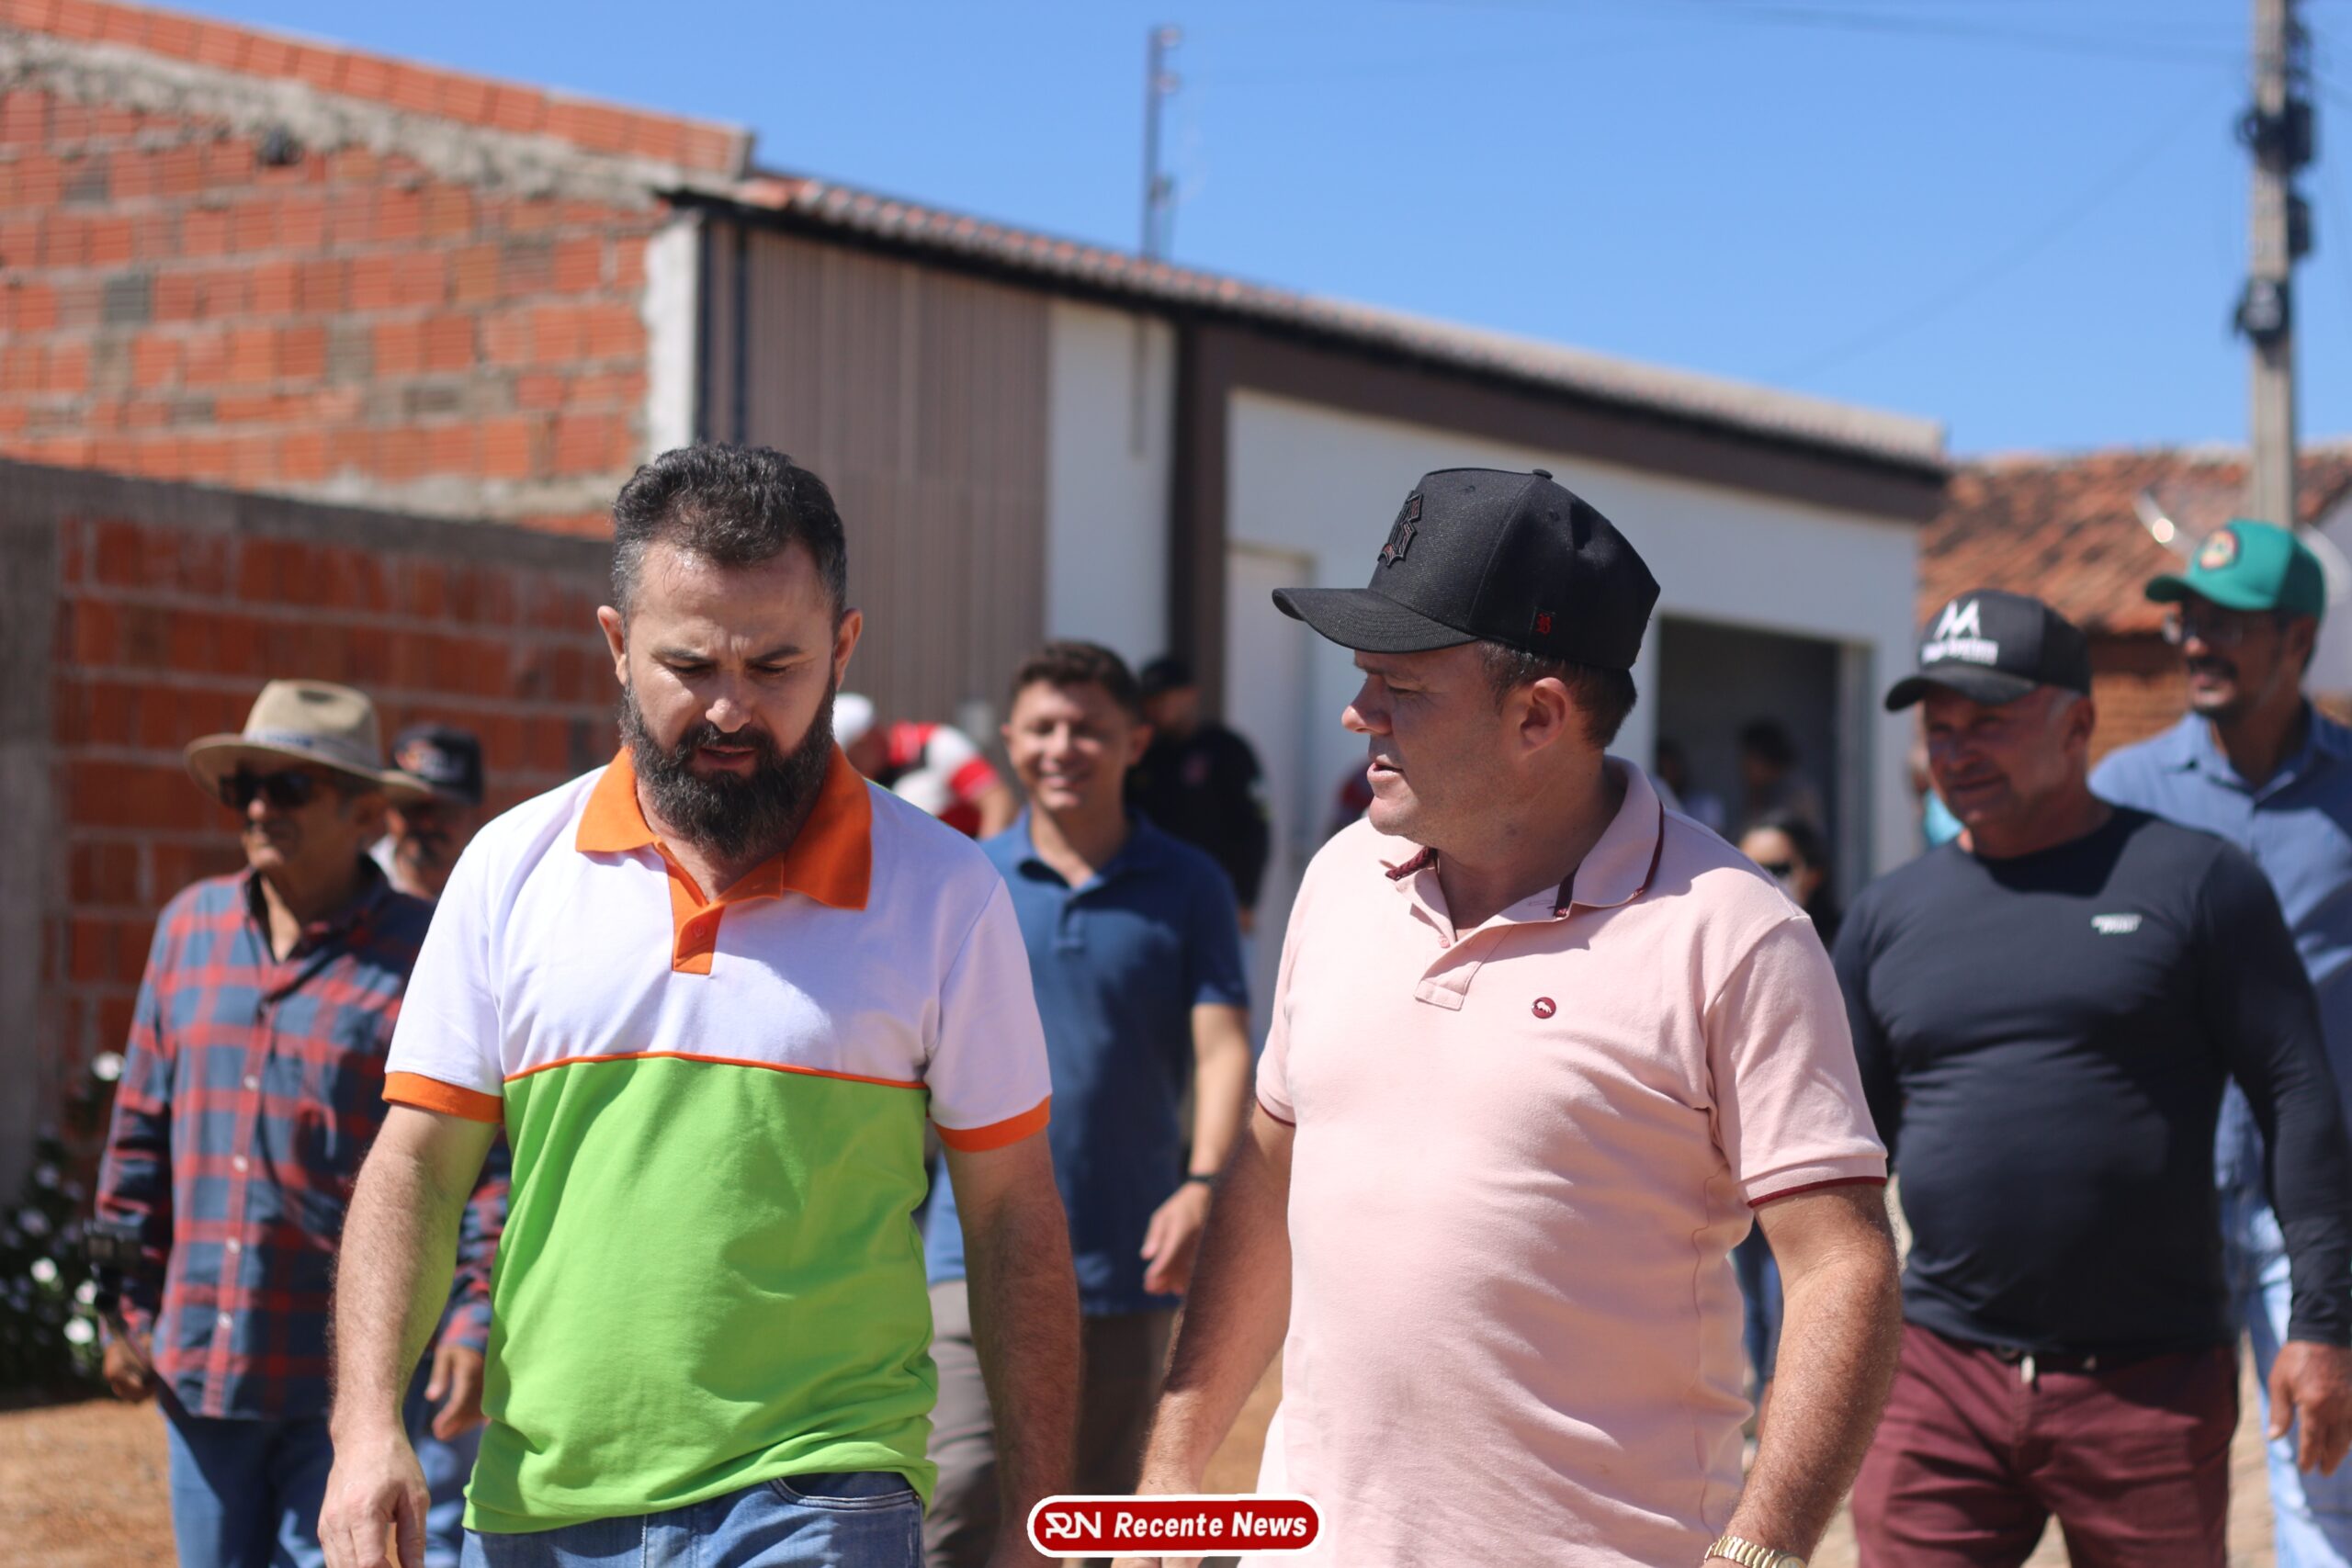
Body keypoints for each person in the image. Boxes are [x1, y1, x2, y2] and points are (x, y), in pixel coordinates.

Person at [1119, 468, 1901, 1568]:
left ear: (1537, 715)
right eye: (1363, 678)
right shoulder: (1342, 877)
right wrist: (1171, 1472)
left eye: (1401, 686)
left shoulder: (1733, 932)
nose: (1357, 713)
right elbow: (1268, 1177)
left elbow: (1838, 1269)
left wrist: (1762, 1548)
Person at [317, 446, 1079, 1568]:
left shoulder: (945, 894)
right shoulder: (509, 870)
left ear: (844, 649)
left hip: (819, 1492)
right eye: (689, 664)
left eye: (776, 665)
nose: (730, 708)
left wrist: (1041, 1513)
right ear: (618, 647)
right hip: (539, 1505)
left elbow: (1012, 1212)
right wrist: (363, 1426)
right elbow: (418, 1168)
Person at [1838, 587, 2352, 1567]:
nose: (1957, 751)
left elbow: (2298, 1096)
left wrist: (2324, 1322)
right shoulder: (1886, 914)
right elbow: (1842, 1151)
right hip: (1939, 1377)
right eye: (1940, 728)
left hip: (2147, 1382)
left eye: (1989, 721)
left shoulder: (2196, 882)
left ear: (2078, 724)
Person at [92, 680, 499, 1568]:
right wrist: (121, 1304)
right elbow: (137, 1136)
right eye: (246, 788)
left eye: (289, 787)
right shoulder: (188, 930)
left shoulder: (424, 951)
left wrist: (473, 1316)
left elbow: (479, 1163)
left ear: (365, 815)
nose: (259, 807)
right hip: (204, 1368)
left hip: (351, 1384)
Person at [922, 641, 1252, 1568]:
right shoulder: (962, 880)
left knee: (1101, 1525)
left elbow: (1223, 1045)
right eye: (1043, 728)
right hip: (968, 1253)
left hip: (1126, 1259)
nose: (1063, 747)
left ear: (1135, 742)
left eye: (1089, 729)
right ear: (1011, 740)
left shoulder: (1190, 885)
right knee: (958, 1504)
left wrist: (1201, 1183)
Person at [2093, 520, 2352, 1568]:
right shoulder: (2123, 794)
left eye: (2229, 624)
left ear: (2299, 639)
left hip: (2318, 1216)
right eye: (2188, 619)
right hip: (2162, 1208)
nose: (2197, 641)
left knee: (2327, 1495)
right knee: (2142, 1493)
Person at [367, 720, 509, 1568]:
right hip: (365, 1251)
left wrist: (475, 1304)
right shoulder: (354, 918)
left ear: (471, 813)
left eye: (443, 808)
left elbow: (498, 1151)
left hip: (458, 1255)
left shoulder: (488, 913)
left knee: (445, 1510)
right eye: (409, 806)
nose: (424, 825)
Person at [1127, 656, 1272, 931]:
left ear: (1190, 694)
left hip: (1216, 896)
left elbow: (1254, 826)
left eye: (1165, 697)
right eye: (1150, 700)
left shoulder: (1226, 749)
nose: (1157, 706)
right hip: (1154, 898)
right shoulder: (1144, 757)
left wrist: (1245, 899)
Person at [837, 693, 1018, 838]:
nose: (851, 766)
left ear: (867, 739)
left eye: (850, 757)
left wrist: (986, 862)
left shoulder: (936, 744)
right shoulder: (868, 779)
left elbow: (997, 801)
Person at [374, 724, 488, 902]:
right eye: (413, 806)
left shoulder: (489, 893)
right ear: (388, 808)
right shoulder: (353, 884)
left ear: (475, 816)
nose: (427, 823)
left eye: (445, 811)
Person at [1736, 718, 1826, 837]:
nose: (1743, 767)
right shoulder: (1762, 789)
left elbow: (1766, 834)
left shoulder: (1798, 792)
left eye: (1749, 759)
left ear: (1765, 757)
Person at [1657, 736, 1729, 836]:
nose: (1669, 774)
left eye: (1673, 768)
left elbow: (1711, 841)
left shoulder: (1705, 805)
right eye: (1662, 769)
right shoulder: (1658, 789)